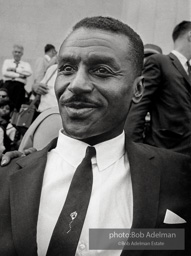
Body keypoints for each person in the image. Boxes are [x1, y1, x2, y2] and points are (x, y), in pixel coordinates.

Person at [0, 16, 191, 256]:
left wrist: (103, 239)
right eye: (66, 68)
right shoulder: (8, 176)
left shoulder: (179, 177)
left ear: (138, 89)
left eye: (102, 70)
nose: (76, 84)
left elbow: (143, 241)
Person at [125, 21, 191, 155]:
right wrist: (135, 151)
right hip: (165, 152)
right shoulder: (160, 62)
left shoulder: (189, 70)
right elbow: (138, 107)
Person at [1, 44, 32, 111]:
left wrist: (15, 70)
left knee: (17, 106)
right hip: (8, 85)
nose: (17, 54)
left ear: (22, 54)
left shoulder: (26, 64)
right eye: (15, 52)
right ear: (12, 53)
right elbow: (5, 73)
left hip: (19, 87)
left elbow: (29, 73)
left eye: (19, 52)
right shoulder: (7, 62)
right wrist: (19, 75)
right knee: (5, 103)